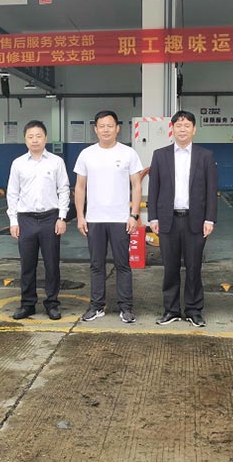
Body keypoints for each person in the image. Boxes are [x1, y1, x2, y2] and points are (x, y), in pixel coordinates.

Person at [147, 111, 218, 328]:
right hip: (168, 220)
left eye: (187, 125)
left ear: (194, 129)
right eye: (178, 125)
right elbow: (154, 188)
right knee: (170, 268)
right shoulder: (160, 155)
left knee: (194, 267)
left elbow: (211, 189)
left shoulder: (205, 156)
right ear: (172, 129)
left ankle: (194, 310)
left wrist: (210, 219)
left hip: (195, 220)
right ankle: (171, 310)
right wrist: (153, 217)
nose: (183, 129)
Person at [74, 110, 143, 323]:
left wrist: (134, 215)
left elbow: (137, 185)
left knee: (123, 264)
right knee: (96, 264)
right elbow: (80, 187)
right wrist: (80, 216)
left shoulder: (128, 153)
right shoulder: (87, 154)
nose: (106, 130)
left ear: (117, 128)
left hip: (120, 219)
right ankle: (97, 306)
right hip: (94, 219)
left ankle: (126, 308)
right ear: (95, 129)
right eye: (101, 126)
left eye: (110, 126)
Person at [6, 120, 70, 320]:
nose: (35, 140)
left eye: (38, 136)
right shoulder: (18, 163)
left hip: (50, 218)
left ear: (45, 138)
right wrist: (13, 221)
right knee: (27, 264)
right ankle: (27, 304)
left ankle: (52, 303)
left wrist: (62, 217)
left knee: (52, 264)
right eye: (30, 136)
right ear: (25, 140)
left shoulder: (56, 162)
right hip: (26, 219)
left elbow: (64, 189)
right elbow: (12, 193)